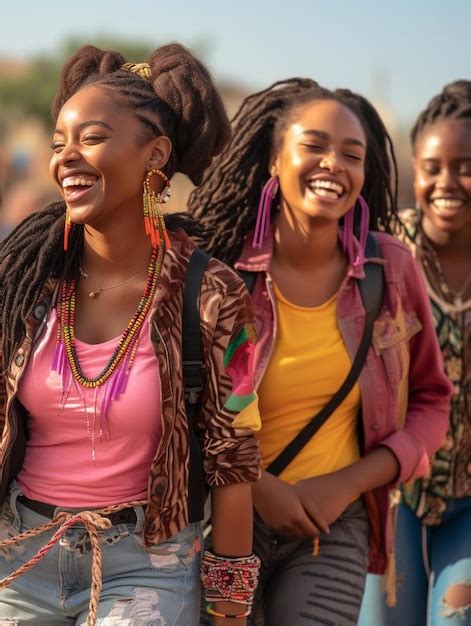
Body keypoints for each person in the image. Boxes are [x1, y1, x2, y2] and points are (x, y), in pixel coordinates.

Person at [0, 44, 262, 626]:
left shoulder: (214, 295)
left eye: (90, 138)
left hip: (148, 564)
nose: (66, 157)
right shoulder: (27, 282)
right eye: (57, 143)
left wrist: (228, 606)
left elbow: (233, 460)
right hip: (19, 554)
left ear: (155, 155)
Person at [188, 79, 453, 626]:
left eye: (351, 155)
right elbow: (180, 404)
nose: (333, 164)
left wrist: (348, 483)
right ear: (273, 160)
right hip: (224, 515)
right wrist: (259, 488)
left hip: (334, 527)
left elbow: (432, 399)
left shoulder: (391, 271)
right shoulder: (221, 274)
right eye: (313, 146)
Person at [359, 81, 471, 626]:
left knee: (457, 616)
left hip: (469, 498)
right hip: (391, 488)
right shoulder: (384, 253)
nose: (446, 183)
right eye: (432, 167)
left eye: (465, 166)